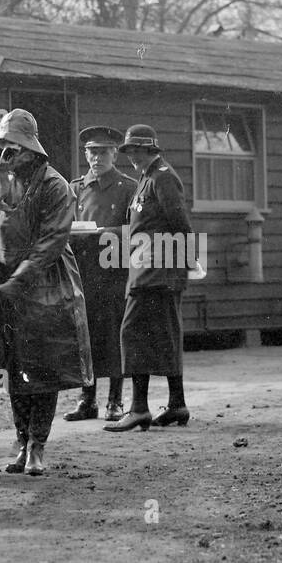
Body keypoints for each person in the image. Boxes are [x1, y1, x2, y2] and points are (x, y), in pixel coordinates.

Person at [0, 109, 92, 475]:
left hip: (46, 286)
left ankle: (38, 445)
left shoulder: (54, 186)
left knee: (43, 368)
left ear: (30, 151)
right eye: (1, 149)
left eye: (13, 150)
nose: (5, 158)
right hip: (6, 284)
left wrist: (16, 282)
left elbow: (50, 242)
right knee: (16, 367)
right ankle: (21, 443)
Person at [104, 125, 194, 431]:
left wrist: (178, 269)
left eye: (137, 151)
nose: (132, 157)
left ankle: (139, 408)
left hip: (159, 272)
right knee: (162, 335)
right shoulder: (148, 177)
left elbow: (180, 223)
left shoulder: (163, 177)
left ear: (150, 151)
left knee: (132, 333)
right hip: (147, 270)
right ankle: (177, 405)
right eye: (129, 151)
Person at [66, 126, 137, 421]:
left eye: (103, 152)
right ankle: (87, 399)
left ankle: (115, 400)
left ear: (115, 154)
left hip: (113, 272)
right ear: (85, 154)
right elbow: (64, 223)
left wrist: (103, 233)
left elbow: (137, 230)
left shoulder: (128, 187)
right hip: (83, 272)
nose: (97, 158)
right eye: (92, 152)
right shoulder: (76, 187)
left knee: (113, 335)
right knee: (86, 336)